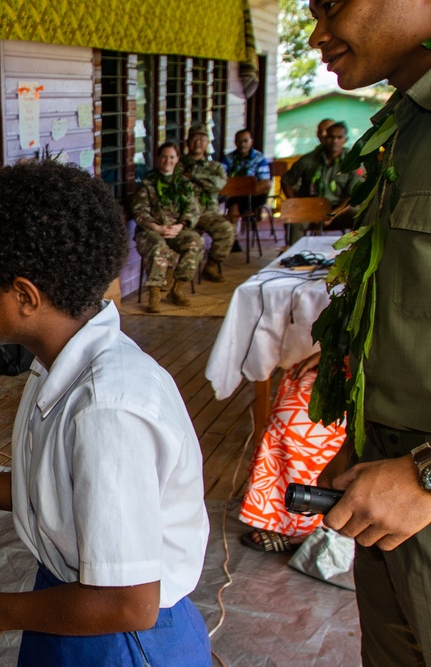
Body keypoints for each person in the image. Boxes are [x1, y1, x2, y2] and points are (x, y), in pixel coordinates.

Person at [0, 160, 211, 665]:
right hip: (70, 603)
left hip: (116, 634)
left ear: (24, 296)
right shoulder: (58, 365)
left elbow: (129, 602)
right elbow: (57, 493)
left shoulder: (106, 410)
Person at [304, 2, 431, 665]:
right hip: (387, 486)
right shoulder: (405, 122)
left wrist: (425, 479)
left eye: (331, 3)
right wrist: (369, 440)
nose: (317, 33)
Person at [239, 356, 346, 553]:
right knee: (292, 402)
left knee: (297, 428)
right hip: (349, 363)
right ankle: (286, 516)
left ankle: (306, 526)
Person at [132, 141, 205, 313]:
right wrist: (157, 228)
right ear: (158, 158)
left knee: (195, 242)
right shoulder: (148, 184)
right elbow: (140, 211)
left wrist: (179, 226)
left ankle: (177, 289)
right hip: (150, 230)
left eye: (172, 157)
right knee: (159, 246)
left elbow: (193, 211)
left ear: (177, 159)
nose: (168, 160)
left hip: (177, 230)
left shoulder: (185, 184)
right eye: (164, 156)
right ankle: (155, 293)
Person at [281, 121, 362, 245]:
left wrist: (332, 215)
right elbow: (286, 180)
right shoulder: (309, 159)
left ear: (345, 140)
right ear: (325, 138)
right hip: (311, 208)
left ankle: (356, 258)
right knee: (294, 220)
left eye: (339, 137)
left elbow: (354, 197)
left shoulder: (353, 162)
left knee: (362, 216)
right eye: (331, 137)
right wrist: (296, 204)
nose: (334, 141)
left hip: (339, 210)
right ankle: (294, 258)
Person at [180, 123, 236, 282]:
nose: (198, 142)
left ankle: (212, 264)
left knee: (227, 229)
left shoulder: (215, 166)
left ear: (207, 142)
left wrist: (194, 175)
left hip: (207, 213)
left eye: (202, 138)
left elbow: (218, 185)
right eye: (194, 138)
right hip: (182, 213)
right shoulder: (178, 164)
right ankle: (173, 276)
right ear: (188, 142)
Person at [221, 129, 273, 234]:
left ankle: (232, 237)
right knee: (234, 204)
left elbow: (264, 181)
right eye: (239, 141)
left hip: (253, 195)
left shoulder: (259, 158)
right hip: (233, 194)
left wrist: (246, 190)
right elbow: (221, 176)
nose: (242, 144)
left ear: (251, 141)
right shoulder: (228, 158)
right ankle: (232, 238)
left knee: (267, 183)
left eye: (245, 141)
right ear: (235, 142)